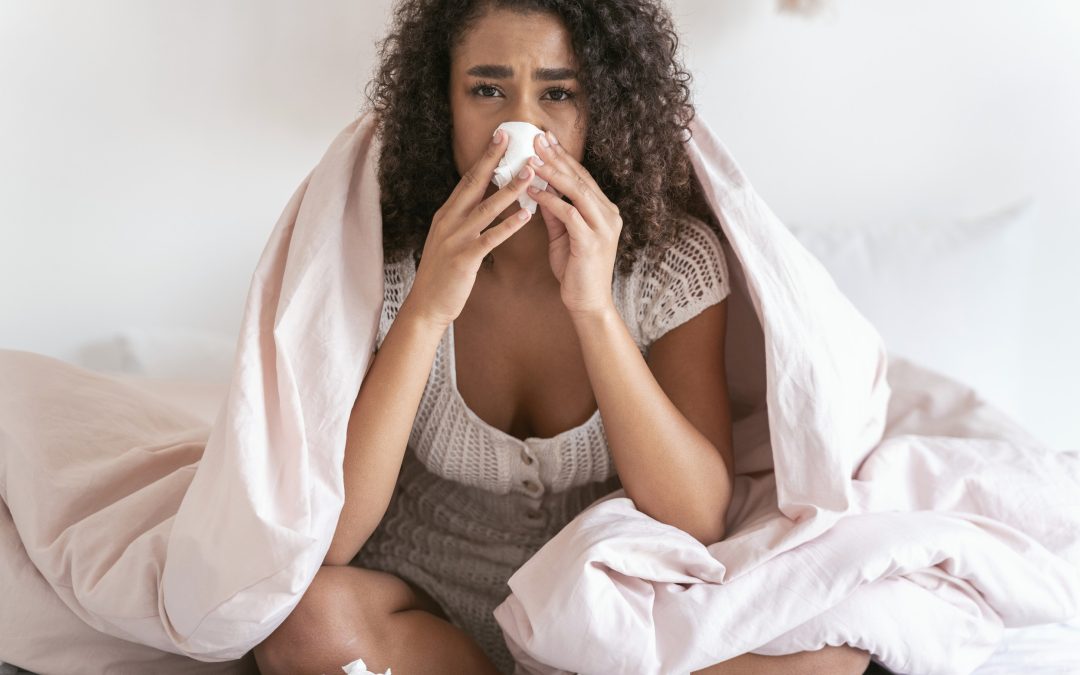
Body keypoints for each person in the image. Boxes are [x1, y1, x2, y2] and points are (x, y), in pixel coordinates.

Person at [253, 1, 873, 674]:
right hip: (426, 600)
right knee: (298, 624)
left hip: (606, 603)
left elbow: (697, 519)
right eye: (487, 89)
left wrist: (594, 308)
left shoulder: (675, 265)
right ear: (442, 104)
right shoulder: (385, 259)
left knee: (830, 654)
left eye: (558, 93)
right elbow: (332, 537)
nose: (522, 124)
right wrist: (429, 306)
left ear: (602, 106)